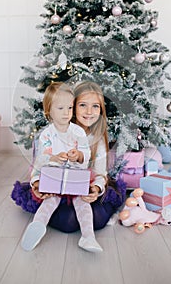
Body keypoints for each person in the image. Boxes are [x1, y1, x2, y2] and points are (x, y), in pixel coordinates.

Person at [11, 81, 126, 235]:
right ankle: (40, 222)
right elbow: (39, 164)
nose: (89, 111)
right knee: (68, 221)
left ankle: (86, 230)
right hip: (58, 187)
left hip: (82, 189)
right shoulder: (56, 132)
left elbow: (100, 172)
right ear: (73, 106)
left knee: (97, 219)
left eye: (96, 106)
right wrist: (38, 184)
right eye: (83, 105)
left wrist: (96, 189)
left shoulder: (97, 138)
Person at [21, 82, 103, 252]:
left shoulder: (78, 132)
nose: (66, 113)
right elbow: (40, 161)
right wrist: (53, 159)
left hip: (75, 177)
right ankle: (37, 226)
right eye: (60, 108)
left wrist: (78, 156)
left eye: (70, 108)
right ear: (48, 111)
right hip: (54, 178)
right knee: (50, 200)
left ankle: (88, 238)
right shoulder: (46, 135)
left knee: (82, 202)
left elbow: (85, 154)